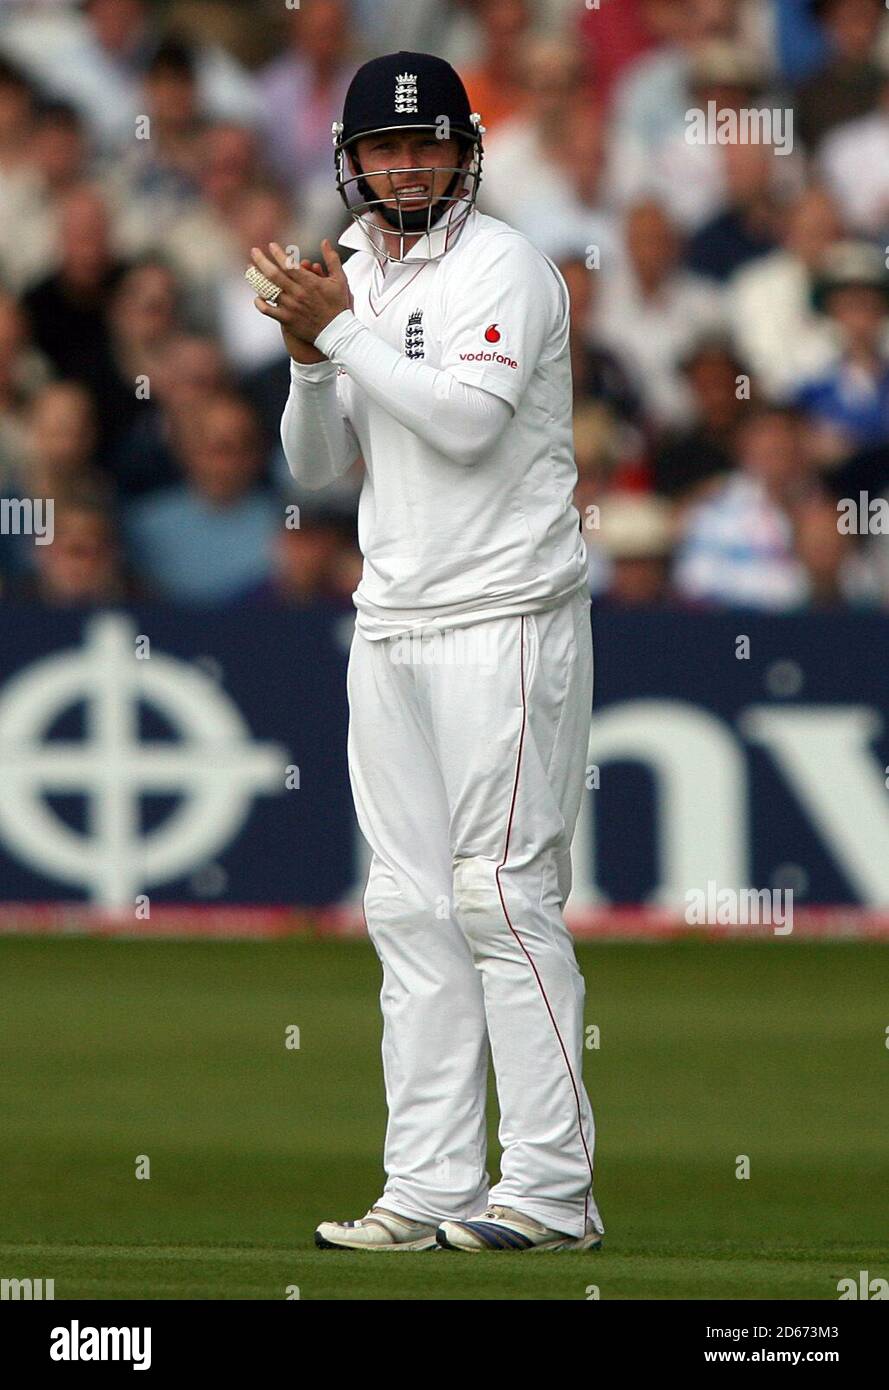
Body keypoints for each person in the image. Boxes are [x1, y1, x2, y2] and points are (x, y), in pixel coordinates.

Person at [252, 50, 605, 1253]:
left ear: (464, 151)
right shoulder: (348, 274)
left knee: (501, 897)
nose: (406, 166)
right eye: (384, 147)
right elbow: (311, 466)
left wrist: (337, 336)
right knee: (406, 907)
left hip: (505, 612)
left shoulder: (505, 262)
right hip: (391, 617)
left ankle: (551, 1194)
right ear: (350, 160)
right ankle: (428, 1189)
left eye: (428, 144)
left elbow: (464, 423)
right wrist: (309, 358)